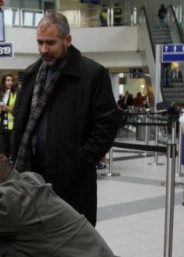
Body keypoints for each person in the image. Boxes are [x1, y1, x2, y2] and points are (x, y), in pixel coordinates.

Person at [11, 12, 121, 226]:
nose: (44, 49)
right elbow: (20, 118)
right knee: (37, 235)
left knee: (73, 241)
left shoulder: (92, 74)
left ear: (67, 40)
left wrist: (79, 160)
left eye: (50, 43)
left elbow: (107, 124)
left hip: (71, 179)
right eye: (40, 42)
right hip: (32, 175)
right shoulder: (32, 73)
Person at [0, 73, 18, 157]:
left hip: (12, 127)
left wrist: (9, 109)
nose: (10, 82)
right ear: (3, 82)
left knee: (13, 151)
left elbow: (18, 110)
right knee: (3, 152)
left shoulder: (16, 94)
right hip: (1, 126)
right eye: (8, 80)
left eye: (11, 80)